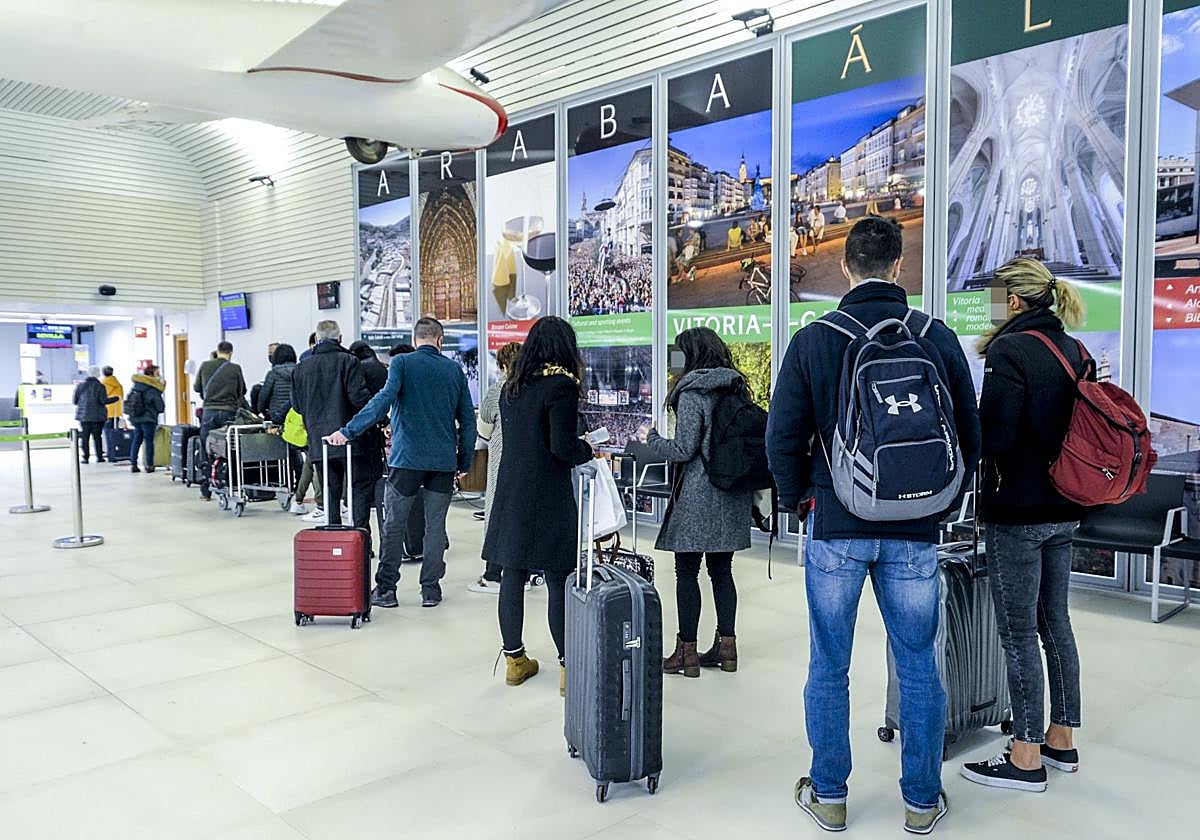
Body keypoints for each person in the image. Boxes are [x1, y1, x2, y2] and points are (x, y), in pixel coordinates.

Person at [766, 215, 980, 835]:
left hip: (836, 523)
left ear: (845, 266)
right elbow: (969, 437)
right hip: (916, 530)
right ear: (898, 266)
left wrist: (799, 500)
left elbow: (782, 437)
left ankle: (830, 795)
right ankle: (921, 801)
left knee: (829, 662)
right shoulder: (934, 337)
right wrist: (939, 505)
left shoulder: (815, 339)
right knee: (918, 664)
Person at [959, 259, 1088, 793]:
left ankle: (1025, 754)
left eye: (995, 295)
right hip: (1065, 506)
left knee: (1017, 634)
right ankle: (1062, 738)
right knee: (1055, 622)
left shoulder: (1010, 350)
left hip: (1017, 512)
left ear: (1012, 300)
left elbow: (998, 437)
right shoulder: (1073, 350)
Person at [626, 327, 751, 677]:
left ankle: (687, 653)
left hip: (698, 496)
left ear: (690, 355)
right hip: (731, 494)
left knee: (687, 573)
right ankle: (727, 649)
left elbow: (683, 449)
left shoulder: (692, 392)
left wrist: (652, 438)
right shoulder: (735, 387)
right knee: (722, 572)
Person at [328, 317, 476, 609]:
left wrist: (348, 431)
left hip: (407, 459)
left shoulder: (402, 364)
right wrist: (464, 461)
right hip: (443, 462)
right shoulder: (453, 369)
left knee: (394, 524)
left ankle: (386, 589)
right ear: (440, 340)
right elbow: (468, 421)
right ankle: (430, 590)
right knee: (435, 527)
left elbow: (381, 401)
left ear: (414, 339)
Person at [481, 317, 593, 691]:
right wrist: (587, 449)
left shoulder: (511, 387)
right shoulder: (561, 387)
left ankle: (515, 661)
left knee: (511, 575)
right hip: (548, 495)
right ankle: (567, 669)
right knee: (558, 578)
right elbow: (562, 447)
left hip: (511, 493)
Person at [291, 320, 370, 527]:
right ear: (340, 338)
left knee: (329, 490)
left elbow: (297, 406)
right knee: (357, 489)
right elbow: (358, 398)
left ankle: (334, 536)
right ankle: (361, 536)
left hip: (319, 441)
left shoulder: (301, 368)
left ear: (317, 339)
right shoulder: (349, 361)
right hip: (349, 438)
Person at [469, 341, 522, 595]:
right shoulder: (534, 389)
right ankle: (525, 571)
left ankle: (493, 573)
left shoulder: (496, 390)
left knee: (497, 513)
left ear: (502, 365)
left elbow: (484, 429)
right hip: (528, 463)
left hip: (502, 460)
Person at [347, 339, 390, 548]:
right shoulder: (381, 370)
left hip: (359, 435)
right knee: (380, 488)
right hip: (376, 436)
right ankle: (388, 539)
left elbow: (358, 401)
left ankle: (363, 540)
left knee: (361, 490)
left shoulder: (356, 371)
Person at [194, 341, 247, 500]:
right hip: (228, 412)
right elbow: (242, 391)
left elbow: (197, 387)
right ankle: (228, 483)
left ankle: (206, 490)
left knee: (206, 449)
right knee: (228, 449)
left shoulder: (205, 366)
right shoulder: (235, 368)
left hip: (208, 412)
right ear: (231, 353)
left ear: (217, 351)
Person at [127, 365, 166, 473]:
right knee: (148, 441)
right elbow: (160, 406)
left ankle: (133, 464)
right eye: (157, 372)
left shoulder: (136, 386)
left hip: (135, 417)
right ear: (152, 374)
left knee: (137, 440)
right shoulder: (152, 388)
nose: (159, 375)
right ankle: (149, 465)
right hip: (148, 418)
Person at [73, 365, 117, 463]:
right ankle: (99, 457)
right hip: (98, 416)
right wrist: (115, 399)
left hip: (84, 416)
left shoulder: (80, 386)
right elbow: (103, 400)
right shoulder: (100, 386)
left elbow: (75, 401)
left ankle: (85, 457)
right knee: (97, 437)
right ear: (98, 374)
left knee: (85, 437)